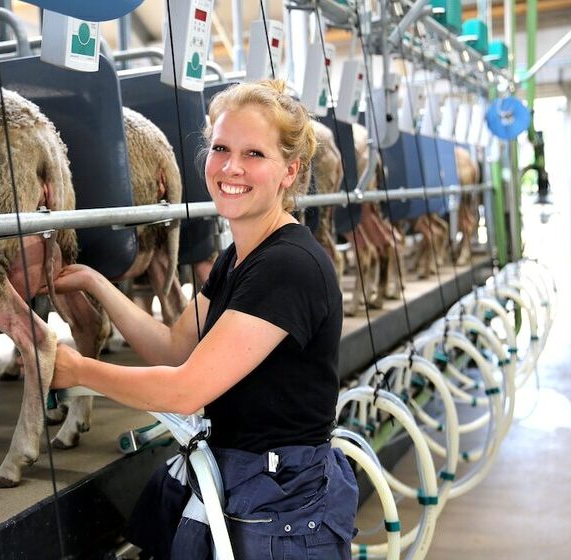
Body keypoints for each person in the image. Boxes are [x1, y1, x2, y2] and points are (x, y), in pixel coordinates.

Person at [50, 79, 358, 559]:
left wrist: (79, 371)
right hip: (248, 479)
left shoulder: (287, 265)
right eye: (220, 148)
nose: (231, 167)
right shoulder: (239, 256)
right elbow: (175, 348)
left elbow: (186, 389)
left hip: (281, 508)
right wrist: (97, 283)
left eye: (254, 154)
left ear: (290, 171)